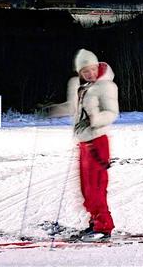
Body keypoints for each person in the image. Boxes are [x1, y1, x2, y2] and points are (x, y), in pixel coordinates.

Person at [56, 49, 119, 242]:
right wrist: (50, 110)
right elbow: (72, 109)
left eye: (92, 69)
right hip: (84, 142)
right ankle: (94, 222)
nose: (90, 74)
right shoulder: (82, 87)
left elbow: (112, 113)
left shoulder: (106, 86)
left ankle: (104, 227)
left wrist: (95, 118)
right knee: (86, 189)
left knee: (96, 188)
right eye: (85, 71)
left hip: (98, 142)